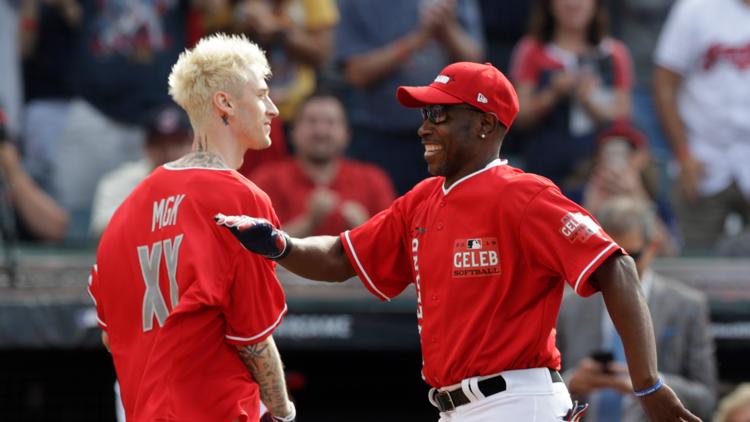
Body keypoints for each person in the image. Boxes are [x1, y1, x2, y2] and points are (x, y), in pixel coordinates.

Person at [215, 61, 699, 421]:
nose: (425, 125)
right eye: (426, 114)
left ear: (486, 124)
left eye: (441, 115)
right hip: (456, 406)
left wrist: (648, 384)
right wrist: (282, 245)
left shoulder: (523, 194)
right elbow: (343, 255)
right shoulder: (423, 199)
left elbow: (618, 267)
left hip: (516, 401)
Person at [87, 33, 295, 422]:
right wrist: (284, 412)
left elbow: (109, 335)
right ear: (225, 103)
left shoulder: (128, 208)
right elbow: (252, 340)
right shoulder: (241, 200)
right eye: (263, 93)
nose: (273, 109)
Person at [558, 196, 717, 422]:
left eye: (631, 256)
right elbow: (537, 386)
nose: (617, 267)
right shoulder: (567, 306)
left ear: (653, 247)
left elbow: (707, 400)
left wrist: (651, 383)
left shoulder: (687, 305)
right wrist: (571, 382)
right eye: (606, 257)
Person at [334, 0, 485, 194]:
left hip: (447, 135)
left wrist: (447, 29)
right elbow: (357, 74)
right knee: (386, 215)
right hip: (379, 135)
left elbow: (476, 62)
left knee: (444, 215)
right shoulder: (357, 4)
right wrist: (414, 42)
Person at [653, 0, 750, 253]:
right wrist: (682, 153)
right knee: (696, 262)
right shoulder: (696, 8)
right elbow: (664, 82)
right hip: (704, 156)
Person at [509, 0, 633, 189]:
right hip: (543, 173)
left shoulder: (613, 53)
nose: (573, 4)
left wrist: (590, 99)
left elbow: (623, 118)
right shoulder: (532, 50)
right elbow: (518, 115)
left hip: (597, 173)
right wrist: (552, 94)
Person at [249, 91, 396, 237]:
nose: (321, 131)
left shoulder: (374, 181)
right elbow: (256, 247)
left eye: (331, 122)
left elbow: (394, 246)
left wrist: (365, 229)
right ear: (293, 132)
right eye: (311, 121)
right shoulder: (267, 180)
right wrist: (309, 222)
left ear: (347, 134)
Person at [89, 105, 193, 237]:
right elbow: (103, 231)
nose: (168, 151)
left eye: (177, 143)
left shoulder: (209, 179)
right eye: (159, 143)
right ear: (146, 146)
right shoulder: (119, 181)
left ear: (192, 144)